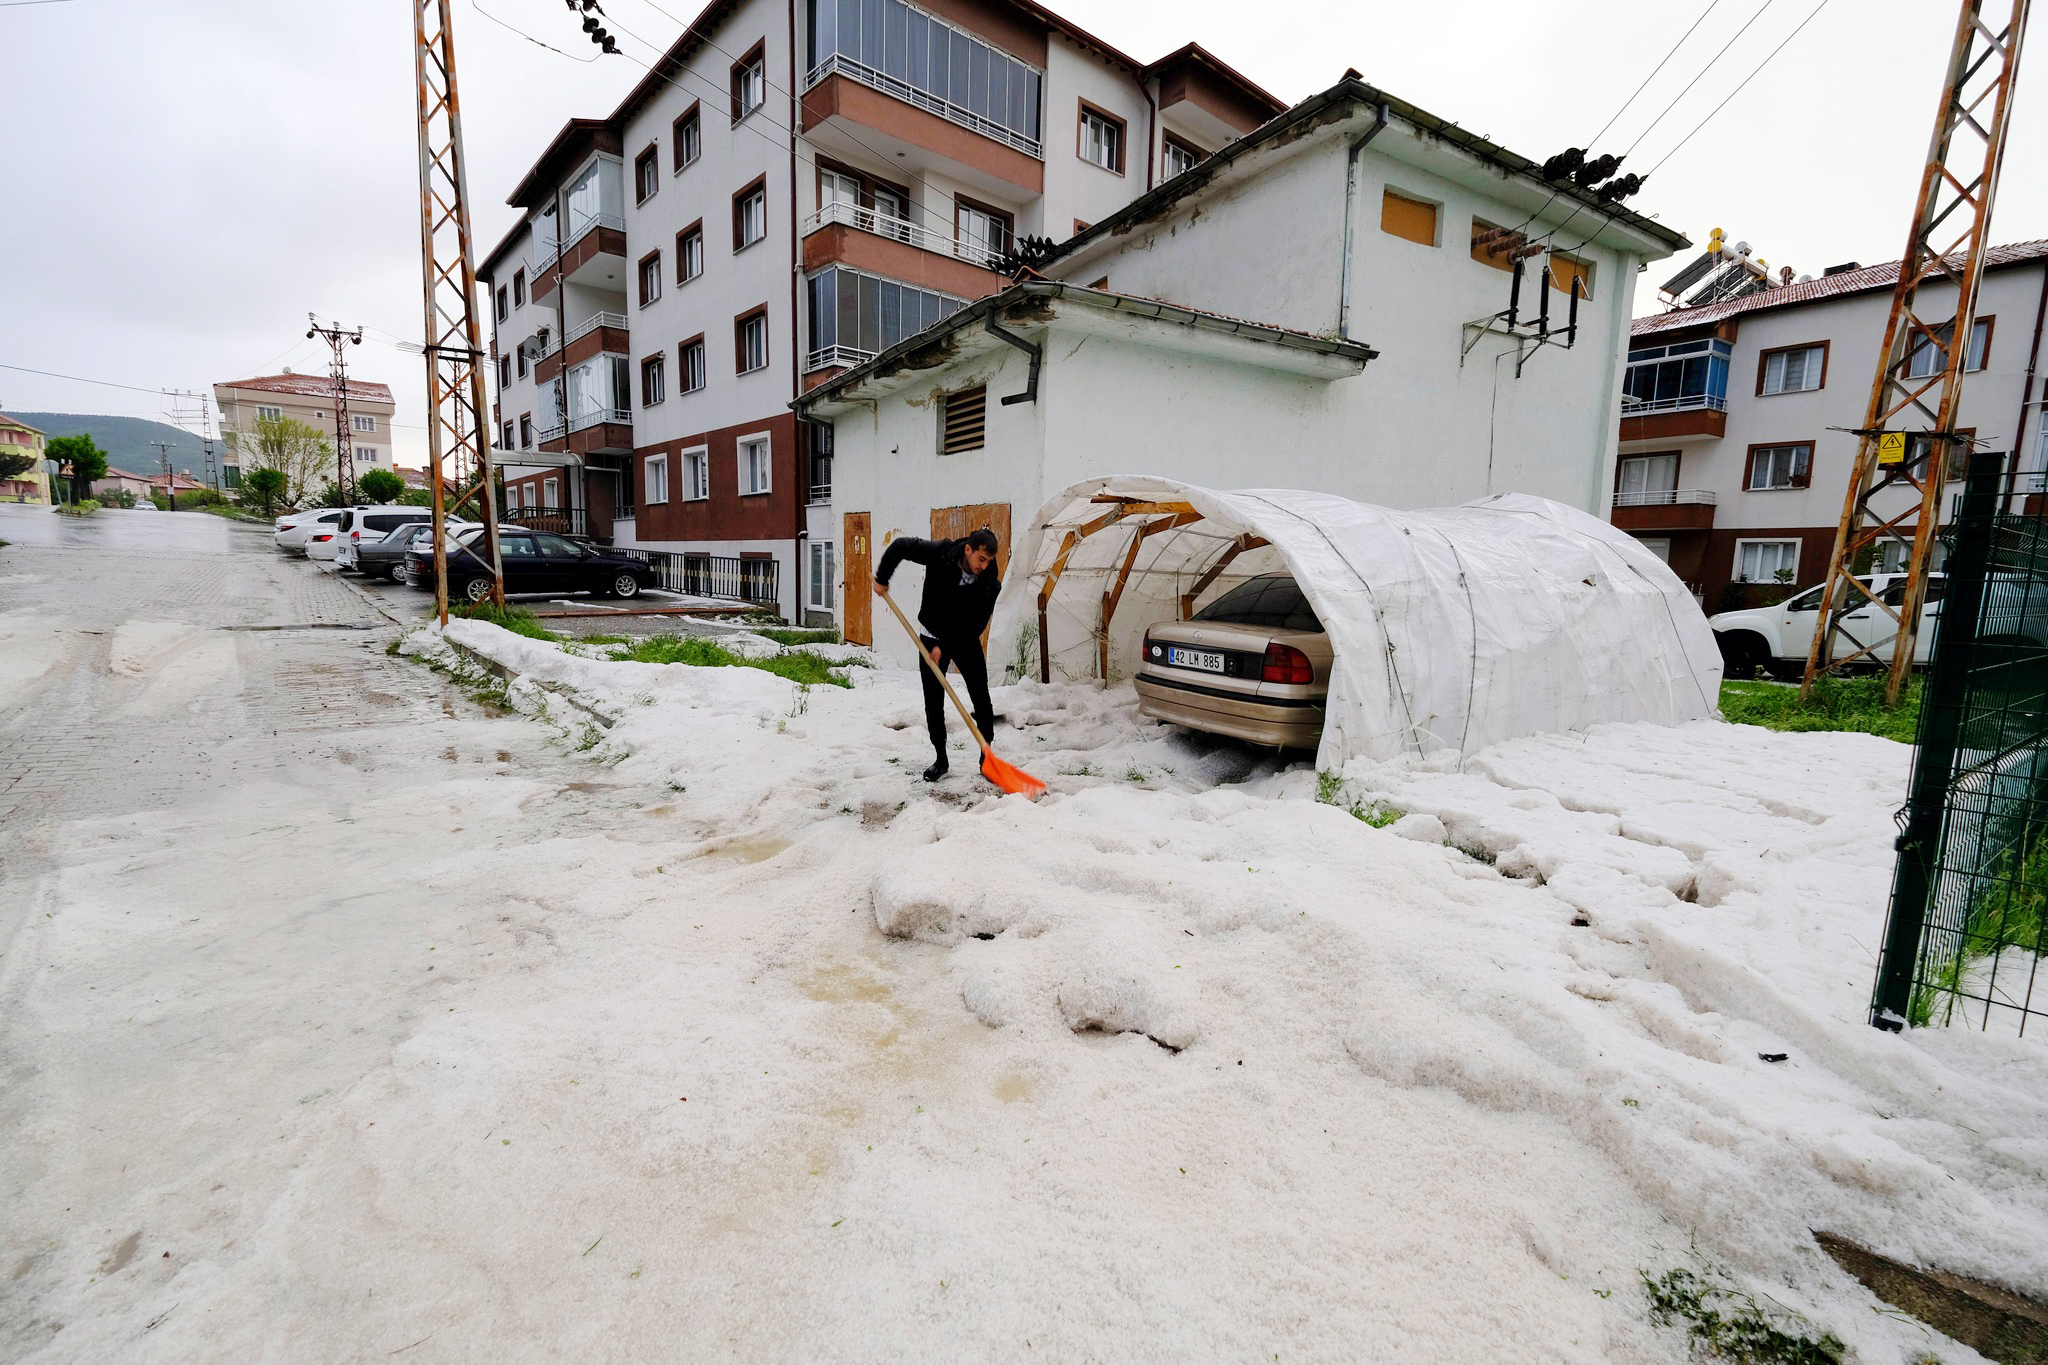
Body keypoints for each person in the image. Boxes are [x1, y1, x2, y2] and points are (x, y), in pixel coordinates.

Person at [873, 527, 1001, 782]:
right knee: (934, 700)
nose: (984, 566)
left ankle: (987, 758)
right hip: (931, 634)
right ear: (968, 549)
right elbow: (901, 546)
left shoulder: (989, 582)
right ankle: (941, 758)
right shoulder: (941, 553)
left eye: (989, 561)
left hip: (964, 638)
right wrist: (882, 577)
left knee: (981, 697)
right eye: (981, 559)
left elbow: (976, 623)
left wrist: (946, 645)